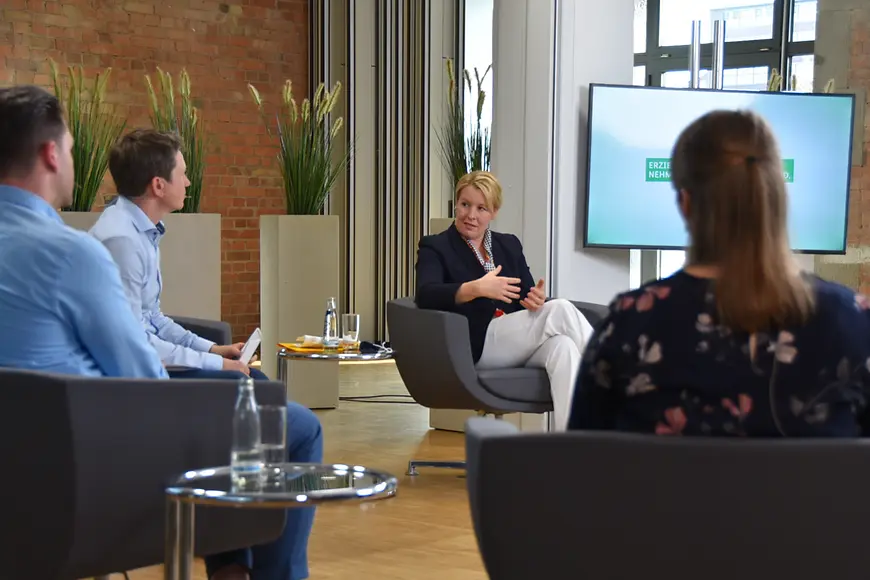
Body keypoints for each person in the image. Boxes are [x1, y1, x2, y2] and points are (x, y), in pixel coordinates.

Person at [90, 129, 322, 580]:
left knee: (253, 390)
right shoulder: (120, 240)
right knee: (301, 428)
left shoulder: (138, 229)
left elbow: (153, 318)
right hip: (147, 394)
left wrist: (211, 347)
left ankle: (233, 562)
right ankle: (275, 572)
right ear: (158, 185)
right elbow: (137, 341)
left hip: (156, 378)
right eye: (182, 172)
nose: (189, 181)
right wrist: (218, 365)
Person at [569, 109, 870, 437]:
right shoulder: (852, 323)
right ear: (777, 200)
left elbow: (583, 471)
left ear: (685, 204)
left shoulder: (629, 325)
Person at [0, 85, 167, 378]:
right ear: (51, 154)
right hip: (81, 421)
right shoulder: (72, 255)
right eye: (70, 149)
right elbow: (143, 380)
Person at [414, 170, 594, 430]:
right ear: (456, 203)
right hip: (477, 344)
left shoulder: (508, 245)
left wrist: (536, 299)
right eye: (465, 205)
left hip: (514, 340)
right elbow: (426, 293)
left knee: (563, 347)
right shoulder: (435, 246)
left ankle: (575, 446)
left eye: (481, 208)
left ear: (494, 212)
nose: (471, 215)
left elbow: (526, 294)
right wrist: (475, 288)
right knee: (562, 309)